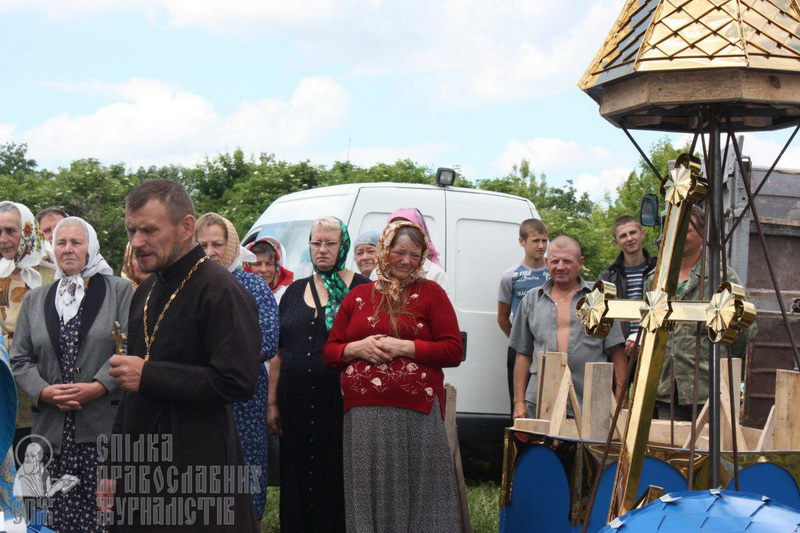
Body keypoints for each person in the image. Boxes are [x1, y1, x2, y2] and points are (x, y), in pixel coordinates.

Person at [101, 179, 262, 532]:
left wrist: (150, 375)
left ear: (186, 226)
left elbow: (236, 381)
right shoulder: (144, 291)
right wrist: (112, 467)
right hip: (141, 466)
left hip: (198, 466)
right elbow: (130, 390)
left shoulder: (221, 289)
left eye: (149, 230)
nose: (137, 242)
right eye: (131, 230)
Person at [323, 220, 463, 531]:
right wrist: (357, 348)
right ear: (385, 251)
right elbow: (331, 352)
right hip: (364, 416)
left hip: (416, 413)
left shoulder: (431, 293)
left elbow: (453, 350)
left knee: (420, 490)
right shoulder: (357, 295)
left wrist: (405, 346)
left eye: (415, 255)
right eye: (400, 252)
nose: (406, 261)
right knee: (369, 489)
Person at [11, 216, 133, 532]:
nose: (68, 249)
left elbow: (129, 348)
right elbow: (20, 360)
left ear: (90, 246)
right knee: (50, 520)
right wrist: (43, 391)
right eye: (61, 243)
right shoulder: (36, 299)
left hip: (100, 428)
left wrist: (97, 386)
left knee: (103, 517)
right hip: (49, 431)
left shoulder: (120, 291)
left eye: (76, 242)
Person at [267, 216, 369, 533]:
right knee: (296, 474)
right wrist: (272, 403)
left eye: (330, 243)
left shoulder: (363, 290)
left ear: (344, 246)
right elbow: (280, 353)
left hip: (340, 404)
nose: (322, 250)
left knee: (336, 473)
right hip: (294, 403)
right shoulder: (294, 291)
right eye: (316, 243)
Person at [195, 213, 279, 527]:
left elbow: (268, 340)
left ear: (232, 246)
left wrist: (222, 359)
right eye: (202, 244)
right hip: (201, 394)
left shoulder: (253, 285)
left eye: (218, 243)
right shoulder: (188, 286)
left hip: (244, 395)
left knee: (246, 469)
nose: (210, 251)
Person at [653, 206, 757, 421]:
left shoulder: (721, 278)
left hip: (707, 391)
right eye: (672, 231)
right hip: (665, 390)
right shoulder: (655, 279)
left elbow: (745, 329)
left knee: (705, 451)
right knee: (668, 451)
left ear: (701, 234)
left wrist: (722, 363)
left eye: (686, 230)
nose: (678, 236)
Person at [510, 236, 627, 419]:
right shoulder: (532, 300)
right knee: (542, 449)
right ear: (547, 262)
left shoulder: (596, 299)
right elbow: (523, 354)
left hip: (590, 401)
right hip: (541, 401)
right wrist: (519, 402)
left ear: (580, 263)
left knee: (590, 449)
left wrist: (621, 399)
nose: (560, 267)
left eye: (568, 261)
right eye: (555, 261)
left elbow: (617, 351)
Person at [0, 201, 56, 458]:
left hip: (40, 383)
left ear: (27, 231)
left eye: (11, 231)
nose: (3, 239)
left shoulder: (51, 276)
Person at [497, 218, 549, 412]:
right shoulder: (510, 276)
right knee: (520, 404)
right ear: (522, 241)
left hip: (549, 345)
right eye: (535, 240)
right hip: (521, 348)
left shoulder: (555, 272)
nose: (541, 246)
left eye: (544, 240)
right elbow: (502, 318)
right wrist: (519, 341)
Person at [597, 215, 657, 356]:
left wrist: (643, 336)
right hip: (622, 352)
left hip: (655, 347)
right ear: (616, 241)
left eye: (633, 232)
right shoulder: (607, 277)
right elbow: (603, 319)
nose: (629, 239)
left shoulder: (660, 269)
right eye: (623, 236)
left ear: (642, 233)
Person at [370, 207, 447, 288]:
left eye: (407, 226)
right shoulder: (377, 274)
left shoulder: (435, 275)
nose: (406, 261)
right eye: (394, 227)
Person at [244, 236, 294, 304]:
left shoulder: (290, 295)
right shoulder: (240, 296)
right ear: (248, 266)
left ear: (277, 266)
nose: (263, 270)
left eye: (269, 264)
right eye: (257, 264)